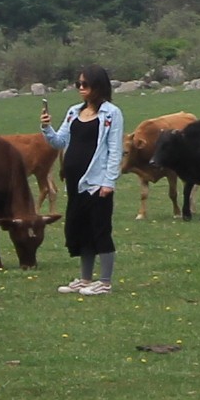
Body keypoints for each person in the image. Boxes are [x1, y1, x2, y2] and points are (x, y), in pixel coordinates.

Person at [47, 66, 123, 295]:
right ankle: (85, 279)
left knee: (100, 229)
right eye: (78, 84)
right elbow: (59, 141)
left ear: (98, 86)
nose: (81, 88)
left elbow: (114, 150)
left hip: (97, 183)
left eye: (85, 84)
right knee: (80, 229)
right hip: (75, 182)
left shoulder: (111, 114)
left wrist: (109, 182)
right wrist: (46, 127)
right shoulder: (73, 112)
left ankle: (105, 282)